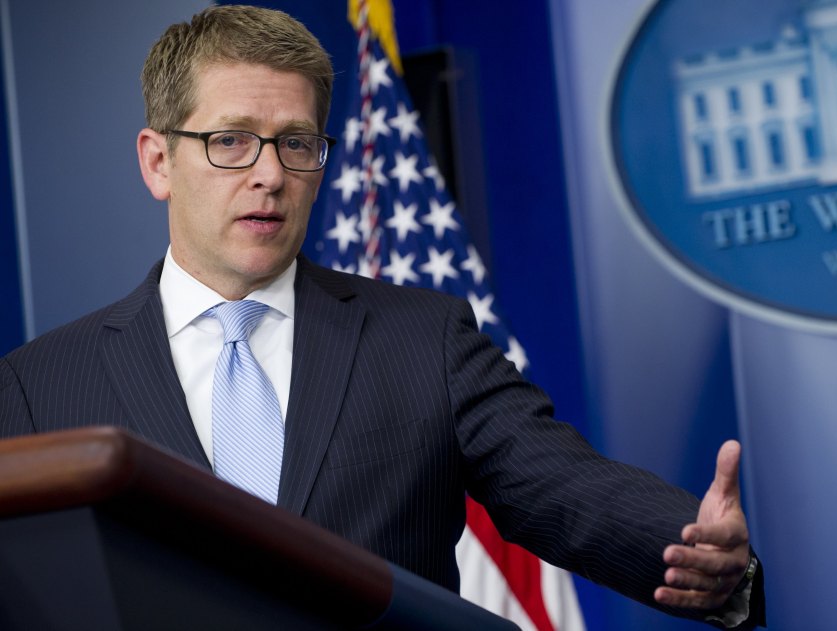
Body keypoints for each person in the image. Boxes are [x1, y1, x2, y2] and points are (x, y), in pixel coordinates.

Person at [0, 5, 763, 629]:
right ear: (158, 161)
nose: (270, 174)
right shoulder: (39, 386)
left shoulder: (422, 337)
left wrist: (690, 539)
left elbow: (562, 484)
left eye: (296, 143)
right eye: (231, 141)